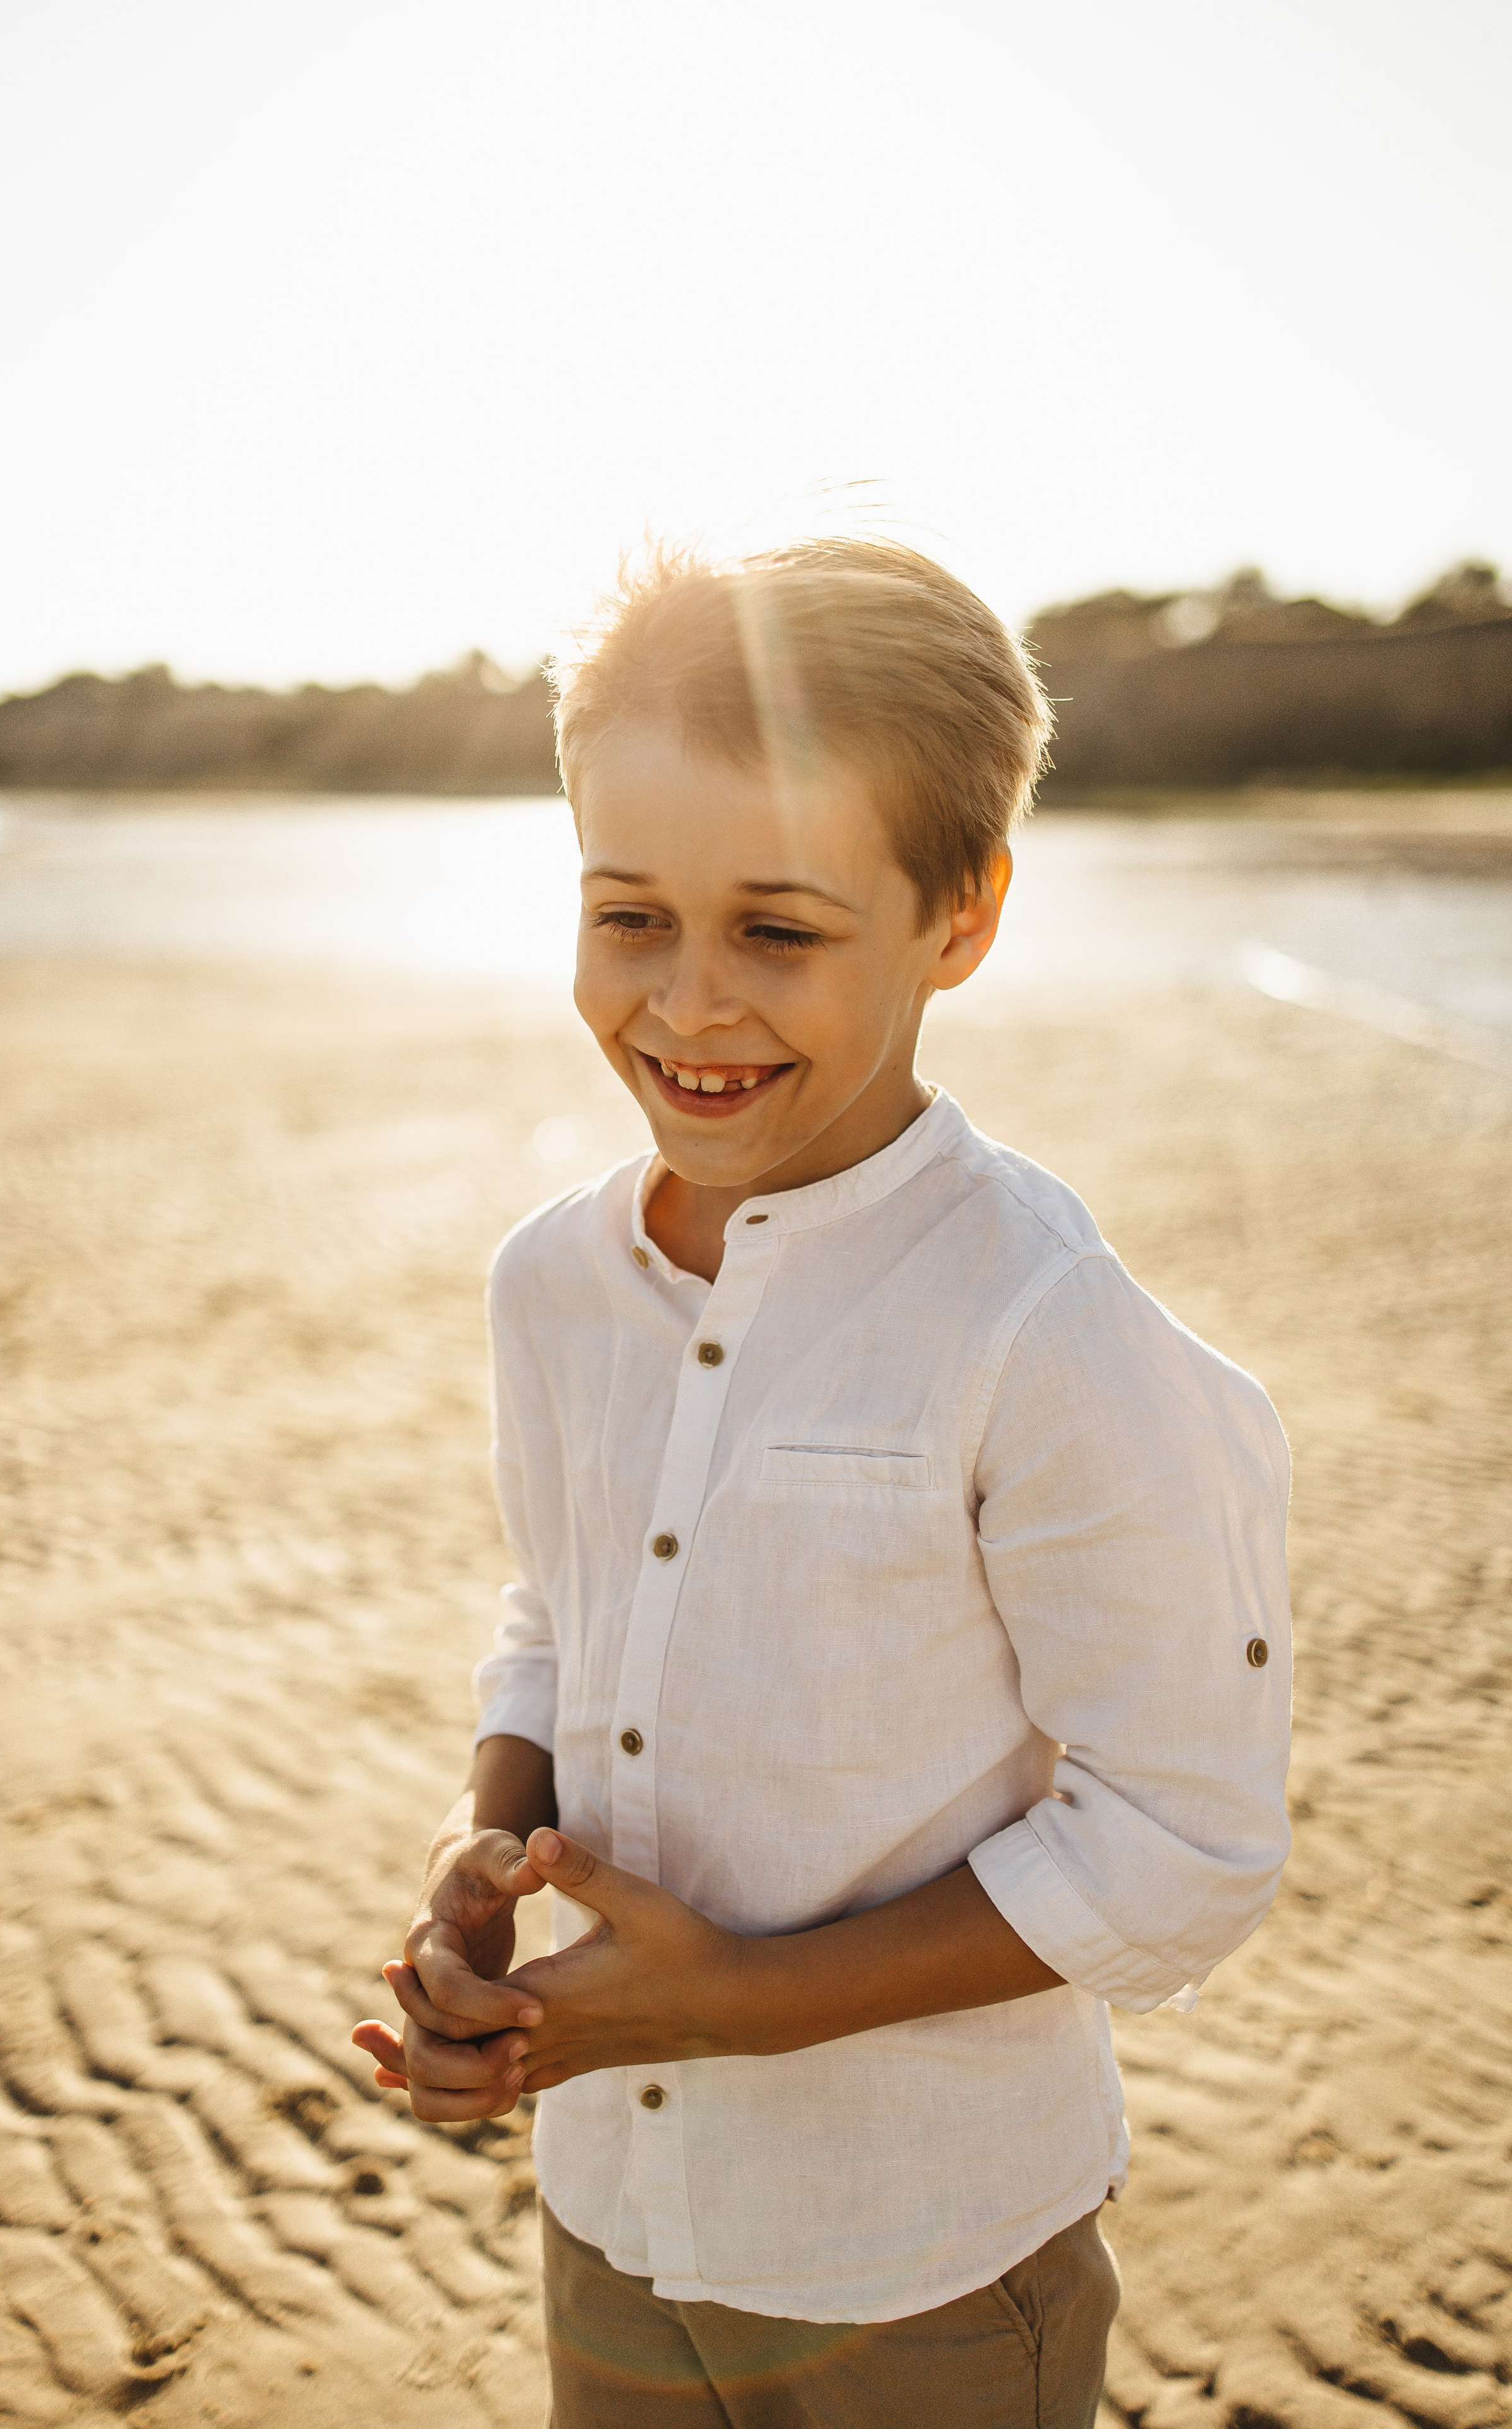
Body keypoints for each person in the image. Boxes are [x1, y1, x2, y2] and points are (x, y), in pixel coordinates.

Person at [353, 538, 1293, 2429]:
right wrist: (487, 1845)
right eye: (631, 917)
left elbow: (1182, 1841)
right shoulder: (552, 1283)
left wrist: (741, 2000)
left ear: (962, 916)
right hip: (611, 2210)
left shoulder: (1042, 1324)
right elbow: (559, 1610)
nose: (691, 1005)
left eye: (778, 933)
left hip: (926, 2259)